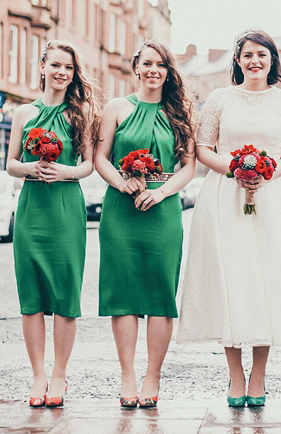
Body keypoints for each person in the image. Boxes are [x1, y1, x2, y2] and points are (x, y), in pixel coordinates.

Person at [177, 29, 281, 408]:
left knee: (264, 280)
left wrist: (265, 174)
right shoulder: (219, 98)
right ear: (238, 61)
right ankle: (235, 375)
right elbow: (203, 147)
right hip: (224, 198)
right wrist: (235, 172)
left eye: (262, 55)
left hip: (272, 197)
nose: (254, 61)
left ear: (272, 60)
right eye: (247, 55)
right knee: (231, 280)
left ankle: (259, 374)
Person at [95, 39, 196, 409]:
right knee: (122, 294)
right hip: (121, 210)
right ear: (136, 66)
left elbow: (189, 166)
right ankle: (127, 374)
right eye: (148, 63)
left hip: (164, 210)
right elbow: (101, 158)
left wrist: (163, 192)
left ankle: (153, 374)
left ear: (169, 72)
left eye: (162, 65)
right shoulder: (116, 107)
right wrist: (121, 182)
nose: (154, 70)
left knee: (160, 294)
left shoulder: (179, 112)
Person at [6, 40, 100, 408]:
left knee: (64, 294)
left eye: (69, 68)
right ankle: (38, 374)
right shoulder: (23, 114)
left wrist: (65, 172)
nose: (62, 73)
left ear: (74, 74)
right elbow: (10, 163)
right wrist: (30, 168)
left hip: (65, 208)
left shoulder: (82, 113)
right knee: (31, 297)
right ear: (42, 65)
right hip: (31, 206)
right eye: (56, 65)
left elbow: (88, 165)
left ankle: (59, 373)